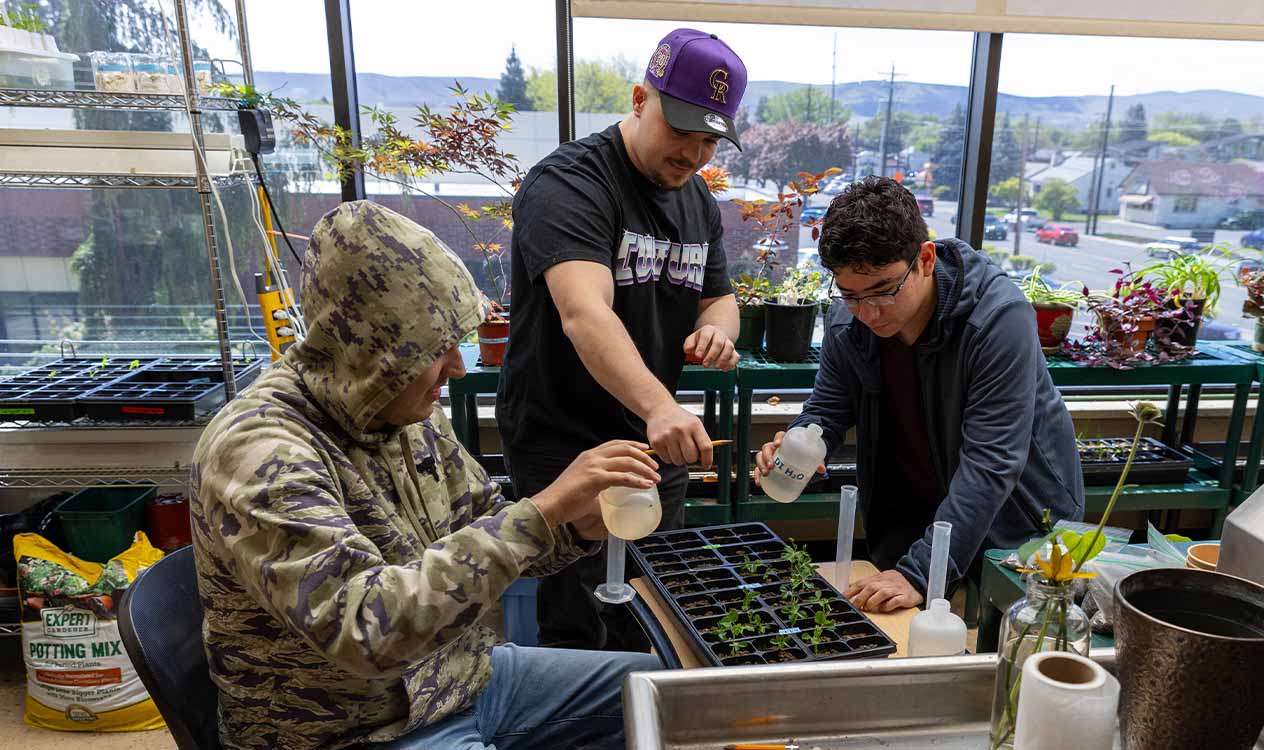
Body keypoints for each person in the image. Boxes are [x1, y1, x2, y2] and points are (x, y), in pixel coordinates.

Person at [190, 201, 662, 750]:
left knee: (671, 696)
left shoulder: (405, 411)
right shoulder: (259, 451)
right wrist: (544, 511)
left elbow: (485, 526)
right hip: (346, 729)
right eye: (438, 350)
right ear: (373, 352)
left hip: (462, 679)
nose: (458, 368)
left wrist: (576, 527)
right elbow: (366, 631)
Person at [497, 28, 749, 650]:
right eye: (681, 130)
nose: (694, 154)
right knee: (580, 620)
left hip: (651, 444)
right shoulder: (572, 183)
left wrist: (716, 330)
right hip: (566, 442)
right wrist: (661, 404)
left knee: (661, 607)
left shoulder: (697, 201)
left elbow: (718, 295)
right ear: (641, 99)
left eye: (710, 140)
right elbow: (586, 313)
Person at [755, 177, 1084, 613]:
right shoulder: (847, 322)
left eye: (884, 291)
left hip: (1016, 524)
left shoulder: (998, 320)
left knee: (1003, 647)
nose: (869, 313)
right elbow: (829, 408)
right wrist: (800, 441)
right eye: (851, 295)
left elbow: (992, 461)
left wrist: (921, 571)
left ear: (925, 259)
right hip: (912, 515)